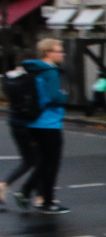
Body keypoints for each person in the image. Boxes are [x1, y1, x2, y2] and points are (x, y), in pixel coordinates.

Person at [13, 39, 70, 214]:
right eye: (59, 50)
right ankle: (46, 201)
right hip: (49, 122)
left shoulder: (34, 69)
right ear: (48, 53)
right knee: (51, 162)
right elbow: (54, 97)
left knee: (44, 161)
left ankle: (28, 192)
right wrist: (64, 96)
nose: (62, 53)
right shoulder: (51, 71)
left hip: (33, 121)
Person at [0, 55, 39, 209]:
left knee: (29, 159)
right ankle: (38, 196)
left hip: (14, 122)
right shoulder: (30, 79)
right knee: (42, 159)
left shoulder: (9, 79)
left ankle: (6, 184)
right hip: (30, 124)